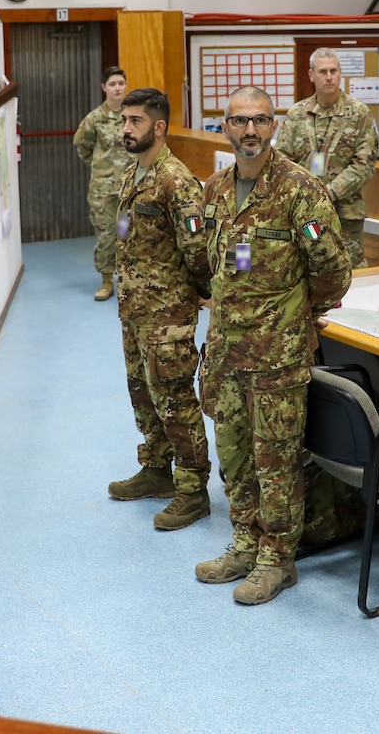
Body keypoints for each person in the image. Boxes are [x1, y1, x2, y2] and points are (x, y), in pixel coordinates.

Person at [194, 85, 350, 606]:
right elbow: (214, 266)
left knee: (276, 459)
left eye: (260, 120)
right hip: (224, 351)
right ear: (225, 127)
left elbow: (333, 270)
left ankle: (277, 559)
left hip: (277, 356)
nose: (250, 131)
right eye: (240, 122)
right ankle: (244, 542)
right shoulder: (214, 189)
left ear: (274, 125)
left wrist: (299, 315)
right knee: (234, 453)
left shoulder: (301, 190)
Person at [107, 87, 213, 531]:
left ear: (160, 127)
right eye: (125, 120)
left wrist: (197, 294)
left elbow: (197, 249)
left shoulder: (177, 180)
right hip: (135, 311)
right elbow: (125, 233)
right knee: (142, 392)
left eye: (136, 121)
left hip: (167, 315)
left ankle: (192, 491)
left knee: (174, 398)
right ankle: (156, 470)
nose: (127, 128)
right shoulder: (134, 174)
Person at [274, 47, 379, 268]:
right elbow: (282, 160)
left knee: (348, 272)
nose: (329, 77)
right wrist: (304, 195)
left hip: (345, 214)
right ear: (312, 75)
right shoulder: (297, 113)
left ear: (341, 73)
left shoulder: (359, 113)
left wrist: (329, 192)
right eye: (323, 72)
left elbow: (365, 163)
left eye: (333, 70)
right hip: (302, 211)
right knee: (305, 269)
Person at [73, 66, 127, 301]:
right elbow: (82, 146)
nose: (117, 88)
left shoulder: (133, 117)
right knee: (106, 235)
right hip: (103, 192)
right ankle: (106, 281)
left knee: (126, 235)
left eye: (121, 84)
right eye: (113, 84)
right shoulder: (94, 119)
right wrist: (100, 166)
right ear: (104, 87)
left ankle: (127, 279)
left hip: (128, 190)